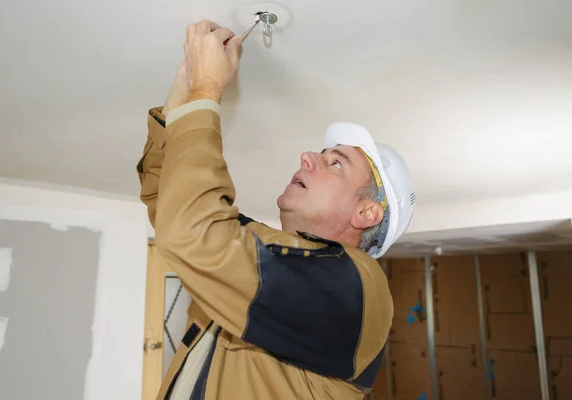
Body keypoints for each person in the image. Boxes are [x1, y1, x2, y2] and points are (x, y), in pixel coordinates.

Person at [137, 19, 416, 400]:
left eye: (336, 163)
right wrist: (185, 92)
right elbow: (169, 201)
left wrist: (207, 90)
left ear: (367, 213)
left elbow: (191, 231)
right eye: (321, 153)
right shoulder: (268, 261)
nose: (308, 157)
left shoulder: (356, 292)